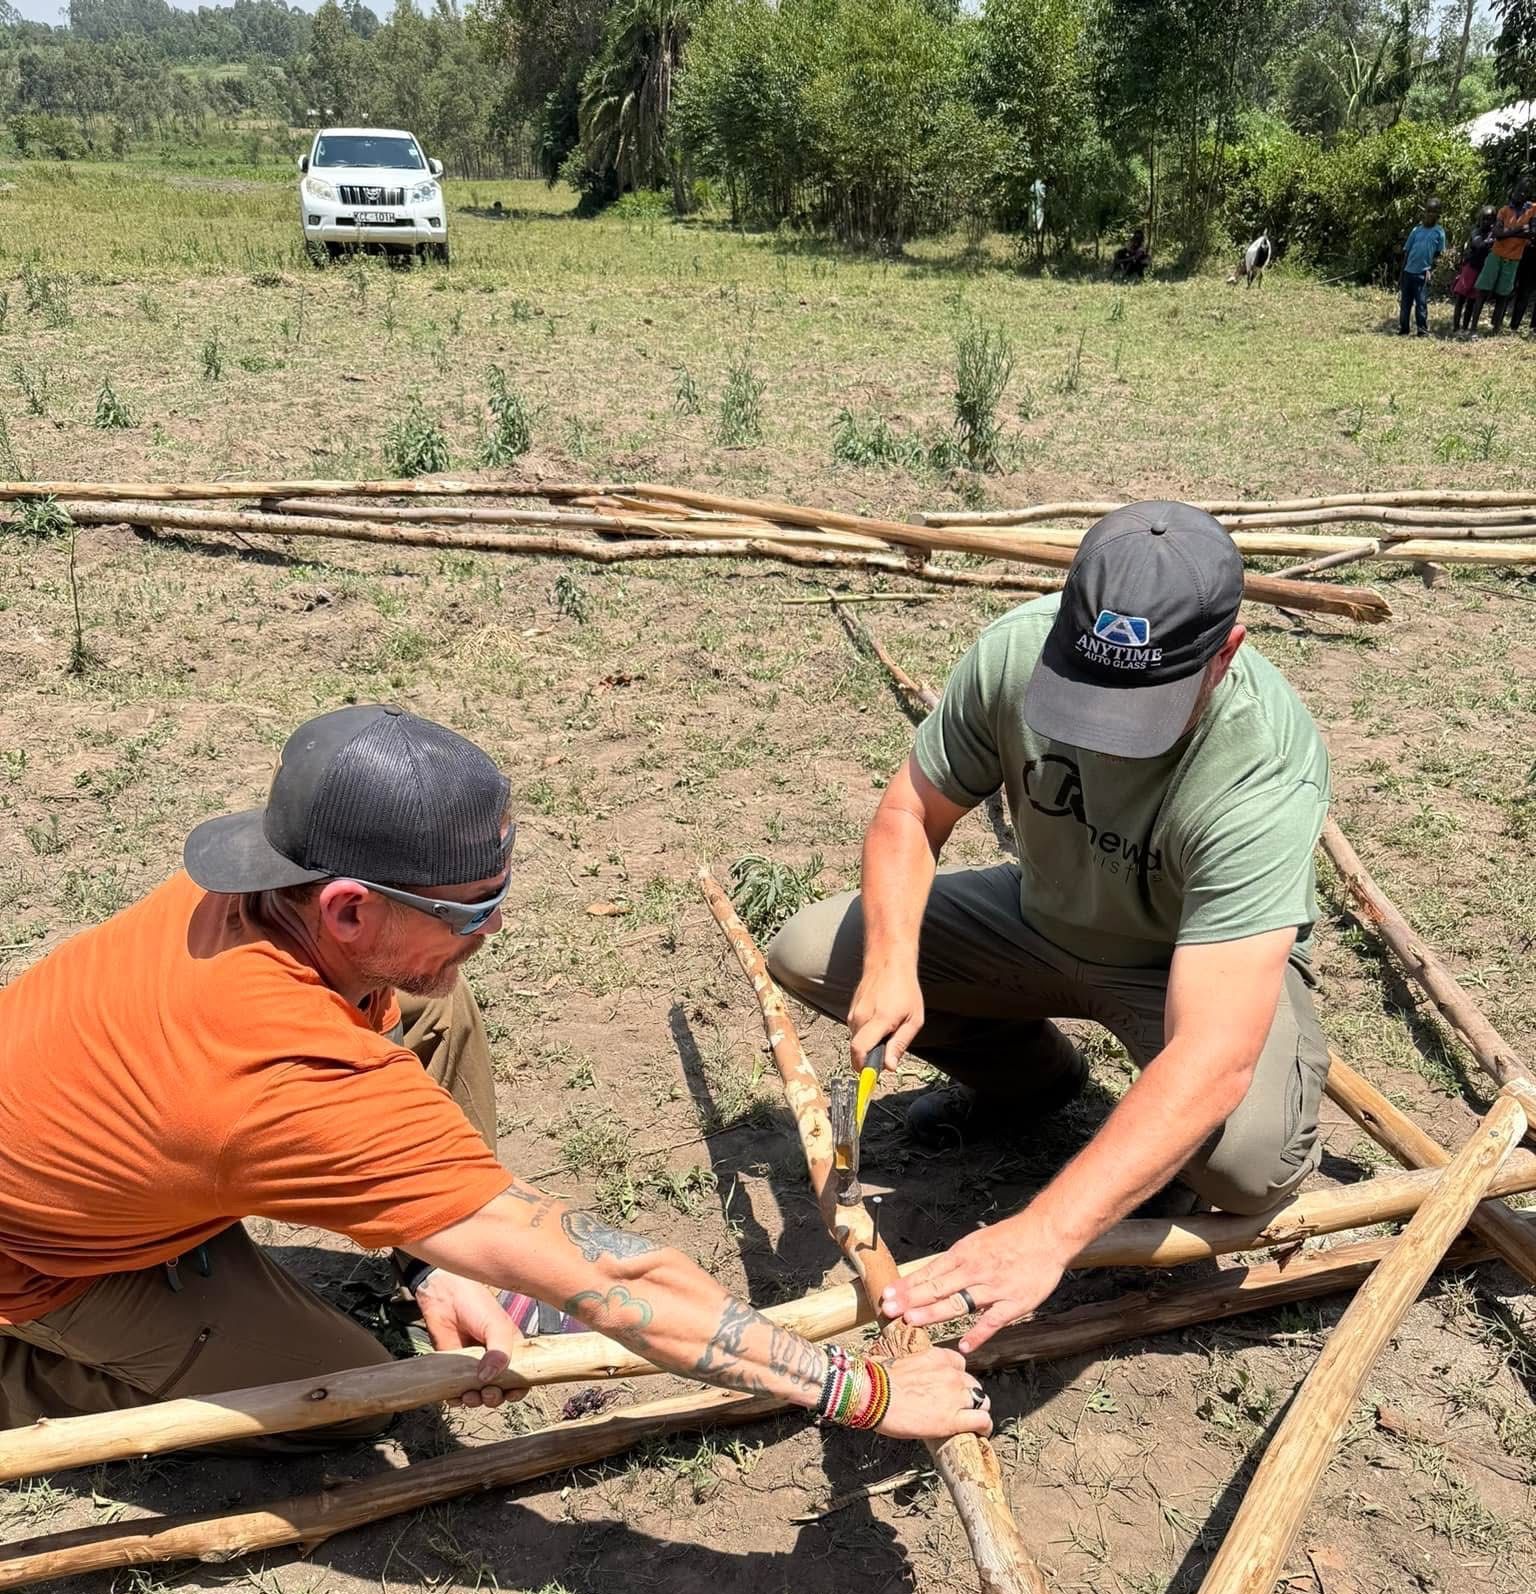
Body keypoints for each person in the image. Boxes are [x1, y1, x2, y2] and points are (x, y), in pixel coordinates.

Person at [0, 705, 985, 1445]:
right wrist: (866, 1388)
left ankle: (438, 1246)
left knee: (429, 989)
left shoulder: (268, 880)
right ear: (346, 908)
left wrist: (448, 1250)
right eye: (472, 908)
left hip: (112, 1151)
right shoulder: (280, 1074)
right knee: (338, 1402)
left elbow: (402, 989)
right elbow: (613, 1282)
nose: (495, 926)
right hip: (46, 1265)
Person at [768, 503, 1331, 1356]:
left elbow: (1213, 1052)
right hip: (1035, 923)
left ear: (1226, 654)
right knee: (816, 954)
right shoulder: (1013, 651)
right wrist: (891, 963)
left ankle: (1157, 1152)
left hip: (1178, 965)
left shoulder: (1263, 766)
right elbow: (910, 813)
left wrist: (1047, 1232)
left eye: (1138, 709)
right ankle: (1034, 1086)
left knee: (1245, 1163)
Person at [1478, 177, 1536, 334]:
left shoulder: (1533, 209)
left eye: (1525, 191)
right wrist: (1520, 232)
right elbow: (1499, 233)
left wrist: (1520, 233)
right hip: (1509, 253)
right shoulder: (1508, 210)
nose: (1521, 193)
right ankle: (1490, 324)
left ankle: (1509, 327)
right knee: (1497, 290)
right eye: (1519, 190)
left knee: (1517, 291)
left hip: (1522, 256)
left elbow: (1531, 232)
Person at [1398, 199, 1445, 336]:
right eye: (1428, 211)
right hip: (1408, 272)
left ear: (1438, 215)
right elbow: (1407, 251)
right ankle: (1404, 329)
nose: (1430, 215)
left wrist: (1431, 269)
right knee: (1405, 303)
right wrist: (1402, 272)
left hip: (1423, 273)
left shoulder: (1439, 232)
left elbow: (1438, 254)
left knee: (1421, 303)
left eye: (1433, 212)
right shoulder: (1416, 230)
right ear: (1424, 212)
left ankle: (1422, 330)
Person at [1450, 206, 1497, 335]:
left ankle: (1465, 328)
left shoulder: (1492, 234)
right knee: (1461, 298)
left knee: (1471, 301)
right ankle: (1455, 327)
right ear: (1480, 219)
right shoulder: (1476, 232)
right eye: (1484, 219)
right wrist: (1493, 239)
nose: (1486, 222)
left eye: (1490, 219)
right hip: (1470, 268)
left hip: (1481, 270)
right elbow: (1479, 245)